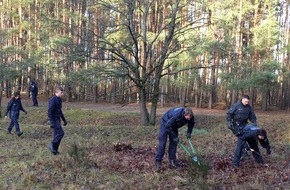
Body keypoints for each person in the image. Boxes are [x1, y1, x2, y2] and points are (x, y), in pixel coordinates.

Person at [48, 86, 67, 155]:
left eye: (62, 92)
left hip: (58, 118)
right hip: (54, 119)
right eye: (61, 92)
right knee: (60, 133)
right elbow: (50, 111)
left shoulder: (59, 100)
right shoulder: (53, 100)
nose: (62, 94)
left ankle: (55, 150)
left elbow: (60, 110)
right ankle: (52, 144)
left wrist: (64, 120)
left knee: (56, 135)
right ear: (57, 92)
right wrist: (51, 121)